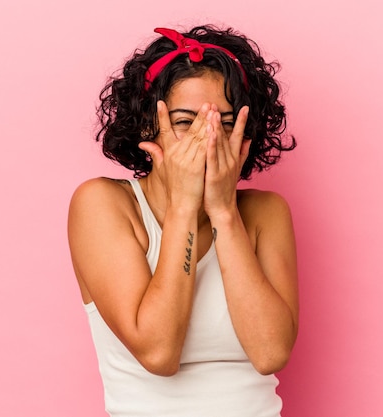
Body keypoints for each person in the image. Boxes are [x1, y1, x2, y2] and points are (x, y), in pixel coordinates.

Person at [68, 24, 298, 417]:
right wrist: (184, 208)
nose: (207, 141)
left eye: (224, 124)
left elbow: (270, 353)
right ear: (147, 125)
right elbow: (158, 352)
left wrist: (224, 212)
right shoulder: (102, 205)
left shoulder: (265, 213)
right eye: (184, 121)